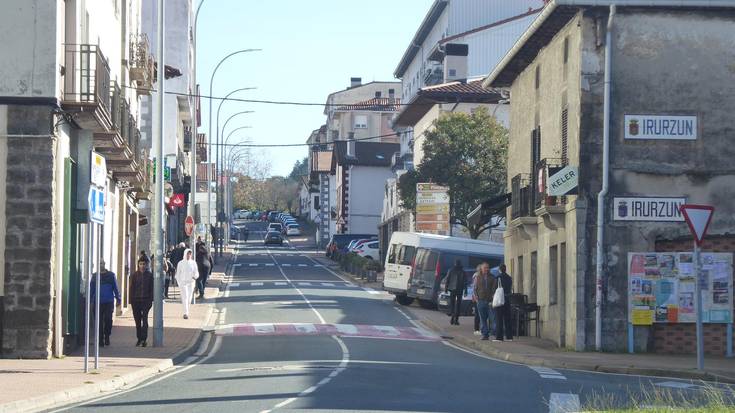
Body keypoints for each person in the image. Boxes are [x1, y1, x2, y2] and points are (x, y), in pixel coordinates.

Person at [90, 261, 121, 347]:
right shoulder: (95, 276)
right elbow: (91, 289)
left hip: (108, 301)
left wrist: (118, 299)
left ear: (105, 264)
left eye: (102, 263)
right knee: (98, 321)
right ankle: (100, 340)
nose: (101, 265)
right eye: (99, 263)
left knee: (108, 319)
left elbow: (115, 287)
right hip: (97, 302)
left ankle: (107, 335)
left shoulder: (111, 275)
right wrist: (90, 300)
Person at [129, 258, 154, 347]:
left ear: (146, 265)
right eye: (141, 264)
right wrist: (131, 300)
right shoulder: (135, 275)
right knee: (137, 321)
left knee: (145, 320)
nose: (142, 266)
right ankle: (139, 338)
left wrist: (150, 300)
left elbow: (152, 289)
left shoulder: (150, 276)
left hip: (146, 301)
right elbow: (132, 288)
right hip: (136, 301)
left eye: (144, 264)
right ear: (138, 265)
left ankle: (144, 339)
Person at [472, 262, 494, 341]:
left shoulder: (492, 277)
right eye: (485, 268)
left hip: (489, 301)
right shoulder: (477, 277)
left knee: (492, 318)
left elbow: (494, 289)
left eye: (488, 268)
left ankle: (493, 332)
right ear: (481, 268)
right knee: (483, 319)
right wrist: (477, 298)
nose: (486, 269)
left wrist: (493, 297)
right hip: (481, 301)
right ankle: (485, 335)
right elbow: (474, 288)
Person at [492, 264, 514, 342]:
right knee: (507, 318)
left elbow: (494, 289)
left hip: (500, 300)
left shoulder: (498, 278)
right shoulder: (509, 278)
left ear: (500, 270)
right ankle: (509, 336)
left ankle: (499, 337)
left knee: (499, 318)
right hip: (507, 299)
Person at [175, 248, 198, 319]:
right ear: (185, 254)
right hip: (183, 283)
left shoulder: (193, 263)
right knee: (185, 297)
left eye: (190, 254)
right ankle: (186, 313)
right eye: (188, 254)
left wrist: (195, 276)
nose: (189, 255)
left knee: (189, 298)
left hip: (191, 283)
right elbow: (177, 274)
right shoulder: (180, 263)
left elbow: (196, 272)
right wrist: (179, 282)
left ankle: (187, 310)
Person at [444, 259, 466, 325]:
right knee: (455, 305)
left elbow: (447, 279)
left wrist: (446, 288)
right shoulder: (460, 271)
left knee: (455, 305)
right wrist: (446, 288)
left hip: (456, 289)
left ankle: (454, 318)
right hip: (456, 289)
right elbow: (447, 280)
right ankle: (454, 319)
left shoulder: (453, 270)